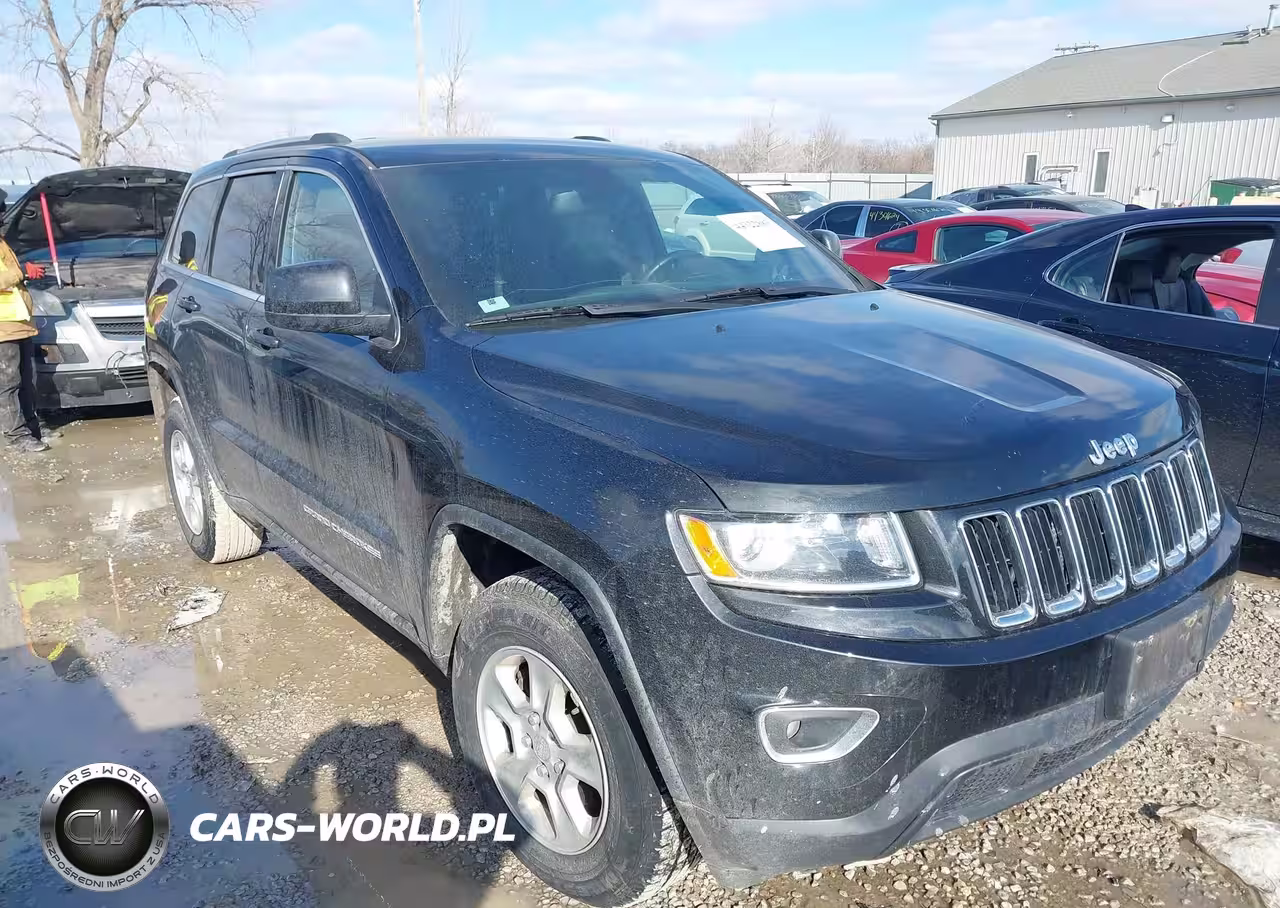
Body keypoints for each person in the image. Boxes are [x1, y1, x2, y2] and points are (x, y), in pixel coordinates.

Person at [0, 189, 51, 453]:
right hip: (3, 327)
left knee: (25, 380)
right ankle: (16, 437)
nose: (2, 214)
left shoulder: (1, 242)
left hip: (18, 323)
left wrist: (26, 274)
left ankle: (32, 430)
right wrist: (22, 272)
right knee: (8, 383)